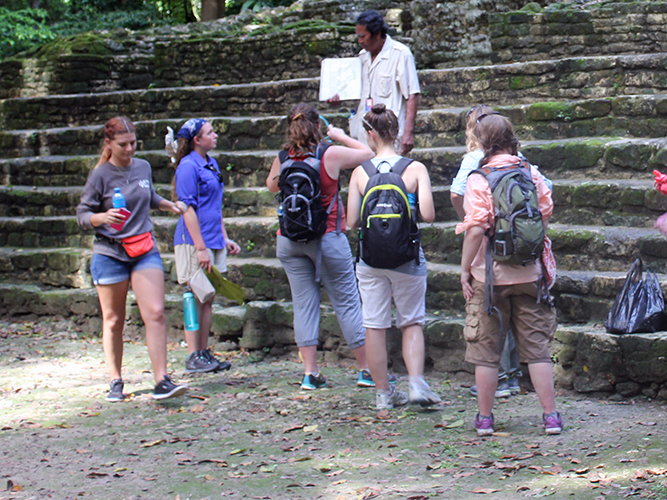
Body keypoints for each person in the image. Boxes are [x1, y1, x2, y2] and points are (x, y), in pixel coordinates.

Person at [456, 113, 563, 436]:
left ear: (482, 143)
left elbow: (475, 228)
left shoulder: (480, 178)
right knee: (537, 350)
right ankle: (551, 417)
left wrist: (464, 269)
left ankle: (486, 419)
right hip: (531, 275)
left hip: (490, 279)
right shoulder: (529, 173)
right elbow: (544, 212)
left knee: (486, 353)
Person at [77, 116, 189, 402]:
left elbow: (149, 195)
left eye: (133, 143)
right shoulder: (100, 175)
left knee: (155, 312)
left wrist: (169, 205)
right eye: (123, 144)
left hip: (143, 249)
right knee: (114, 319)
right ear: (109, 144)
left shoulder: (143, 167)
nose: (129, 149)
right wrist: (101, 217)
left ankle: (162, 379)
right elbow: (82, 215)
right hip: (110, 252)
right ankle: (115, 378)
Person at [266, 103, 375, 390]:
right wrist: (337, 135)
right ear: (317, 126)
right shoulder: (329, 153)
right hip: (327, 239)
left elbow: (271, 186)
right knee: (348, 303)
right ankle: (366, 370)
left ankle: (310, 374)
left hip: (288, 240)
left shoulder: (283, 157)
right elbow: (369, 153)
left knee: (303, 305)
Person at [347, 104, 441, 410]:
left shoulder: (361, 172)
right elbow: (427, 215)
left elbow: (351, 222)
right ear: (397, 131)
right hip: (407, 256)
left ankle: (384, 395)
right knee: (411, 321)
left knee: (374, 325)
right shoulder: (415, 169)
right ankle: (415, 384)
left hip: (371, 259)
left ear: (370, 134)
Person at [171, 118, 241, 373]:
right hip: (193, 241)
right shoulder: (188, 167)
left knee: (208, 298)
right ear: (197, 140)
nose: (215, 135)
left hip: (213, 239)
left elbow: (215, 206)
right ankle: (192, 355)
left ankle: (203, 353)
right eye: (210, 133)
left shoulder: (211, 164)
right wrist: (200, 247)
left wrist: (224, 238)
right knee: (195, 295)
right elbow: (187, 208)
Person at [327, 10, 420, 156]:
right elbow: (356, 94)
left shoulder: (400, 54)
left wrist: (408, 133)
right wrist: (337, 99)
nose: (360, 41)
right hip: (364, 132)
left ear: (377, 34)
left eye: (363, 36)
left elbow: (412, 95)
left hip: (389, 133)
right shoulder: (362, 57)